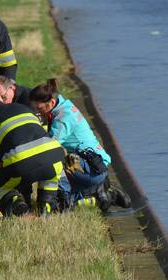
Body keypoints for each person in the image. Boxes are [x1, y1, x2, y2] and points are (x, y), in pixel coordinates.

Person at [27, 78, 130, 211]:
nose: (38, 112)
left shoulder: (63, 119)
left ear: (51, 102)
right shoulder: (63, 106)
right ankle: (96, 193)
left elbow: (48, 147)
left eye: (39, 108)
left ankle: (98, 195)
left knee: (52, 162)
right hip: (95, 163)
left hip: (93, 167)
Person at [0, 90, 65, 216]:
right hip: (54, 154)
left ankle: (19, 209)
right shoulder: (23, 107)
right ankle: (46, 208)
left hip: (22, 161)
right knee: (49, 180)